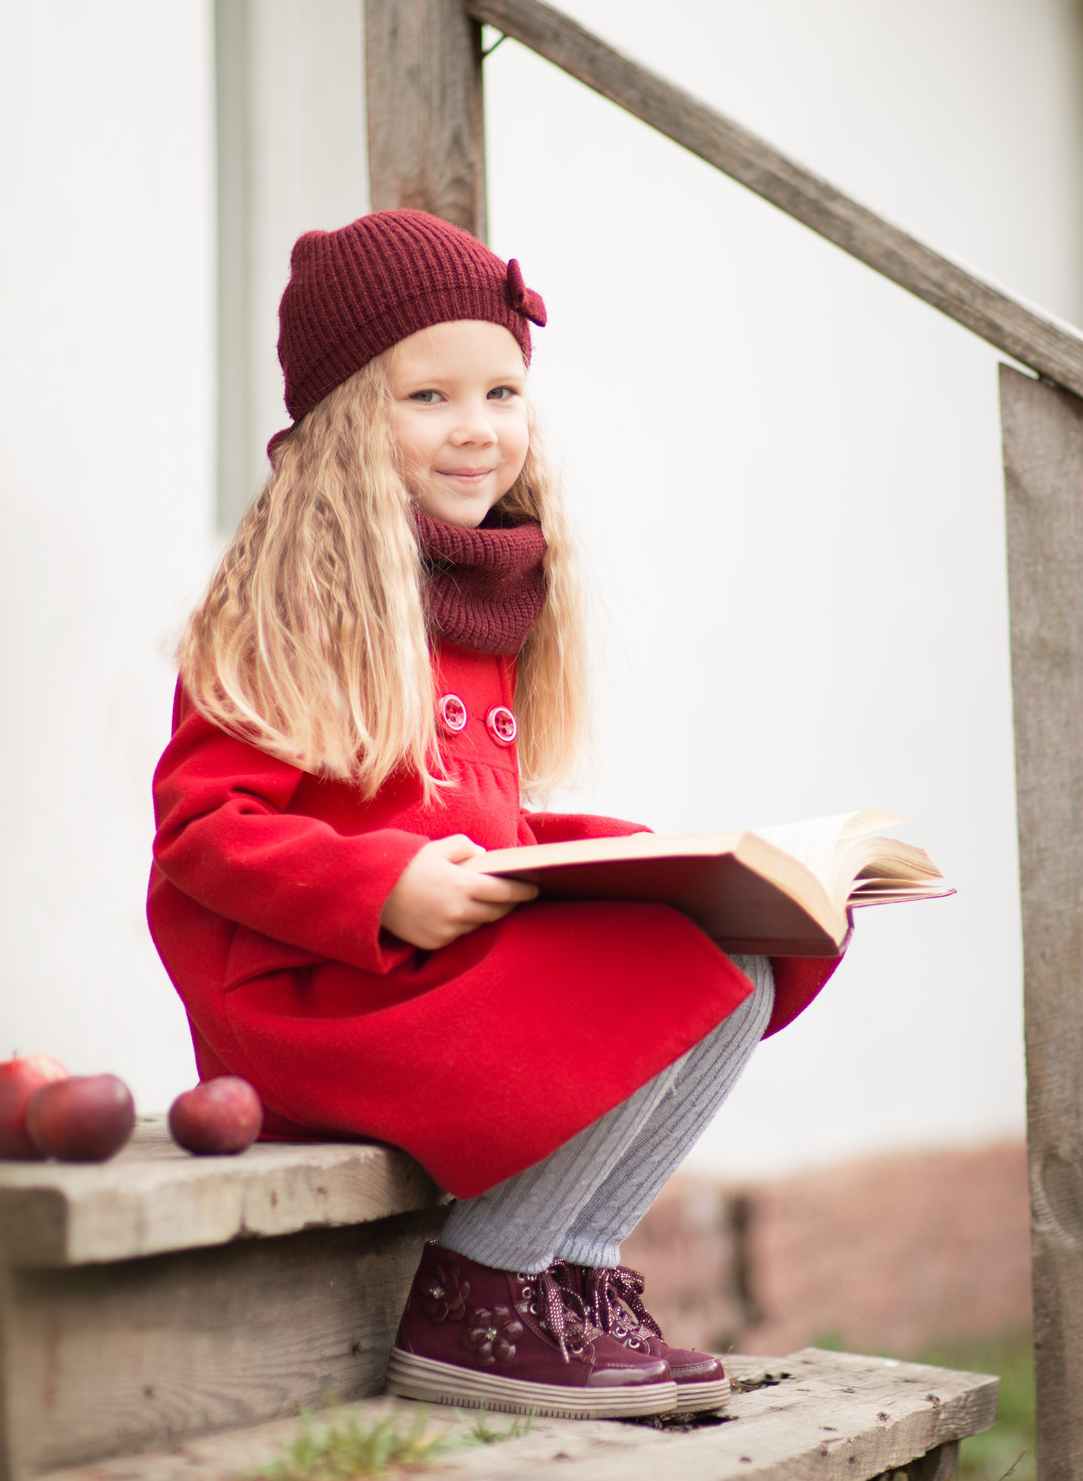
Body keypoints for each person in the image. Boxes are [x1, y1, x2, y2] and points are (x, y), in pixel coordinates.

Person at [146, 210, 843, 1421]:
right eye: (428, 395)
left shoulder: (477, 579)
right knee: (648, 972)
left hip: (426, 969)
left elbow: (468, 813)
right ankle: (482, 1290)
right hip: (320, 992)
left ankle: (568, 1267)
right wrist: (381, 889)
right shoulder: (295, 595)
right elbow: (203, 831)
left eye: (503, 390)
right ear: (348, 415)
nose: (477, 427)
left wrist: (629, 858)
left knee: (744, 947)